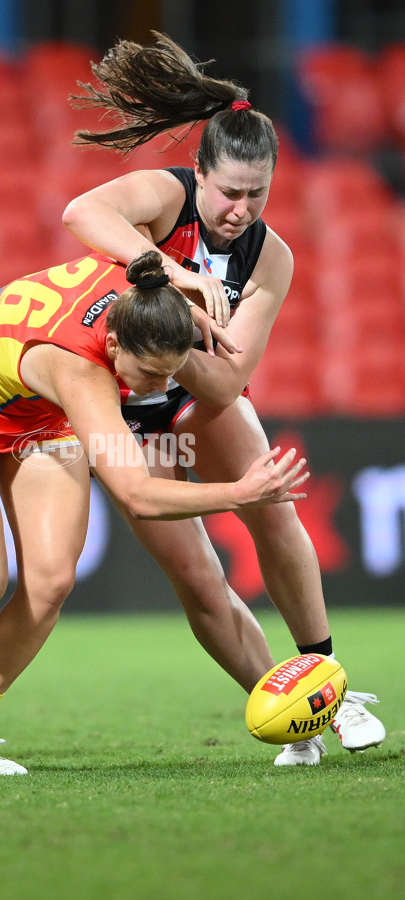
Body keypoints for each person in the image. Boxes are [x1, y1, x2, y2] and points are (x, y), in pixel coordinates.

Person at [0, 250, 309, 775]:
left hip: (41, 411)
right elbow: (139, 495)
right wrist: (240, 492)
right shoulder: (81, 369)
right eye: (148, 373)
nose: (158, 389)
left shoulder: (147, 299)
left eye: (170, 376)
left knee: (51, 583)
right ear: (116, 344)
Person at [62, 32, 386, 765]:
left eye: (257, 195)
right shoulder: (166, 197)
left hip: (194, 398)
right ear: (199, 172)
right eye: (229, 191)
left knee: (273, 511)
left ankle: (330, 687)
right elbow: (81, 212)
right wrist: (169, 277)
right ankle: (296, 713)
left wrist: (186, 338)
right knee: (201, 580)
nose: (240, 209)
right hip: (119, 410)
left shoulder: (271, 256)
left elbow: (229, 379)